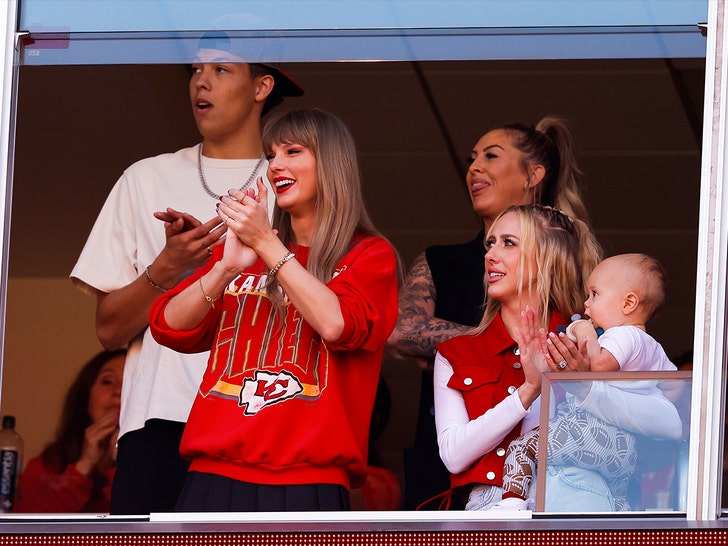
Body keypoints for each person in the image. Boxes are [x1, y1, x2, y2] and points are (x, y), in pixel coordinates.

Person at [69, 32, 303, 514]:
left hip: (265, 419)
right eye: (196, 70)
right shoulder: (145, 178)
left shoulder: (293, 180)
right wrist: (169, 265)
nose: (201, 82)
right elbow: (109, 331)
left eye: (220, 70)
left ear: (262, 87)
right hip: (161, 419)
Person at [148, 108, 399, 512]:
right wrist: (226, 267)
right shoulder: (244, 253)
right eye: (271, 154)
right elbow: (167, 325)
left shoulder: (369, 254)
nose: (275, 165)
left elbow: (336, 325)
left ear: (331, 164)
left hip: (308, 478)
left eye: (293, 151)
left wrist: (268, 245)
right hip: (212, 471)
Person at [387, 117, 591, 509]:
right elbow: (402, 330)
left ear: (534, 174)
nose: (474, 167)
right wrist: (497, 345)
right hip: (468, 492)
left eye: (490, 157)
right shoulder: (442, 265)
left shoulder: (580, 330)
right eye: (490, 245)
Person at [496, 253, 679, 512]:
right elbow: (672, 385)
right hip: (624, 447)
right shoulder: (654, 347)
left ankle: (510, 507)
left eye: (595, 294)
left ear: (628, 303)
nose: (586, 303)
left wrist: (585, 331)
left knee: (523, 447)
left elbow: (598, 366)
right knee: (614, 494)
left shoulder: (623, 335)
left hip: (594, 431)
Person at [15, 350, 126, 513]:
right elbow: (31, 531)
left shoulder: (159, 465)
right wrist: (84, 464)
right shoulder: (47, 465)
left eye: (130, 383)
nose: (118, 391)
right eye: (107, 381)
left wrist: (121, 463)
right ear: (85, 397)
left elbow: (144, 529)